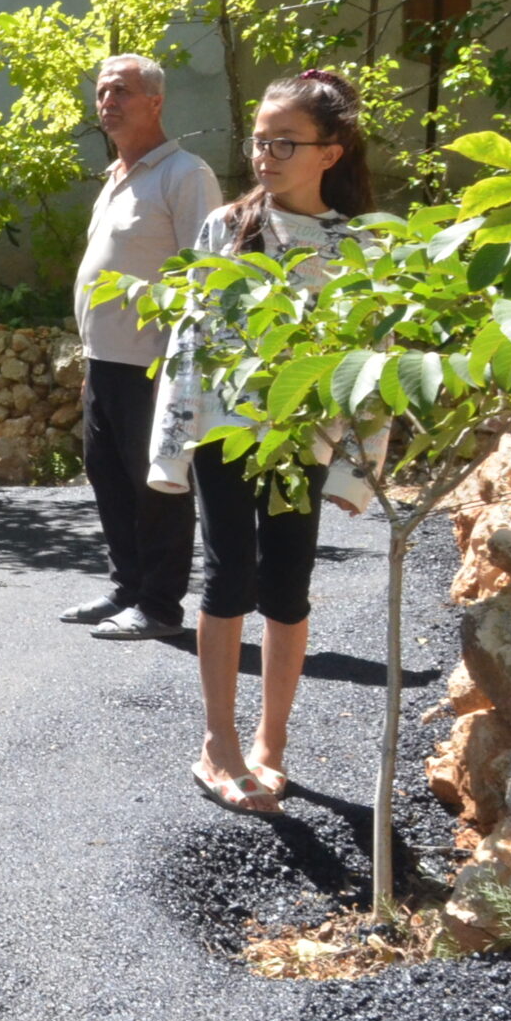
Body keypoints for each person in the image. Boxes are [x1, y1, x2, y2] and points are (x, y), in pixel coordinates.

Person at [149, 68, 381, 815]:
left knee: (287, 586)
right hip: (226, 435)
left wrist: (356, 471)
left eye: (286, 142)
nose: (265, 155)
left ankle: (271, 744)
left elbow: (371, 364)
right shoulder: (227, 228)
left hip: (305, 441)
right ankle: (217, 744)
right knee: (228, 580)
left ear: (329, 153)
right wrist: (171, 449)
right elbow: (190, 342)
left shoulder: (360, 246)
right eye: (259, 140)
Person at [63, 55, 222, 641]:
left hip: (156, 366)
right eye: (102, 91)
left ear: (155, 102)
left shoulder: (185, 174)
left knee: (158, 485)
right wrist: (91, 360)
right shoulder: (116, 177)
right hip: (105, 363)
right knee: (109, 479)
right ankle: (127, 587)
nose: (108, 101)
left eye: (121, 91)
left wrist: (187, 368)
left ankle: (159, 606)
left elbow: (208, 274)